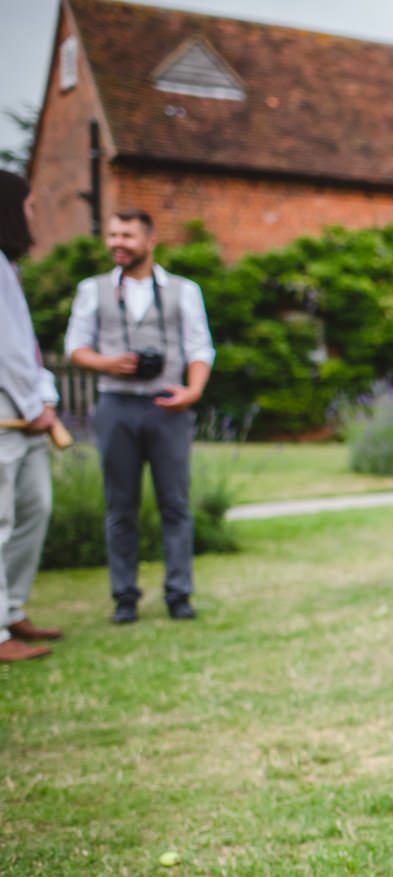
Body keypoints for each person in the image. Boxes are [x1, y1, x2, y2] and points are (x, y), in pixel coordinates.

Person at [65, 209, 214, 624]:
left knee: (176, 504)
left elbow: (200, 347)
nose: (117, 243)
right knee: (120, 505)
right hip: (116, 406)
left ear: (150, 241)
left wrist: (194, 390)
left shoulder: (184, 290)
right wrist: (106, 363)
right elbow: (75, 346)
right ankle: (124, 597)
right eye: (112, 235)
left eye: (127, 235)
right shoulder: (91, 290)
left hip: (168, 405)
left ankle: (179, 594)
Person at [0, 172, 64, 663]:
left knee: (35, 507)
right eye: (29, 206)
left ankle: (12, 607)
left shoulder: (9, 268)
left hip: (27, 414)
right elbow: (6, 352)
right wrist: (33, 405)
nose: (33, 215)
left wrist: (44, 396)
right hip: (7, 414)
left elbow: (28, 347)